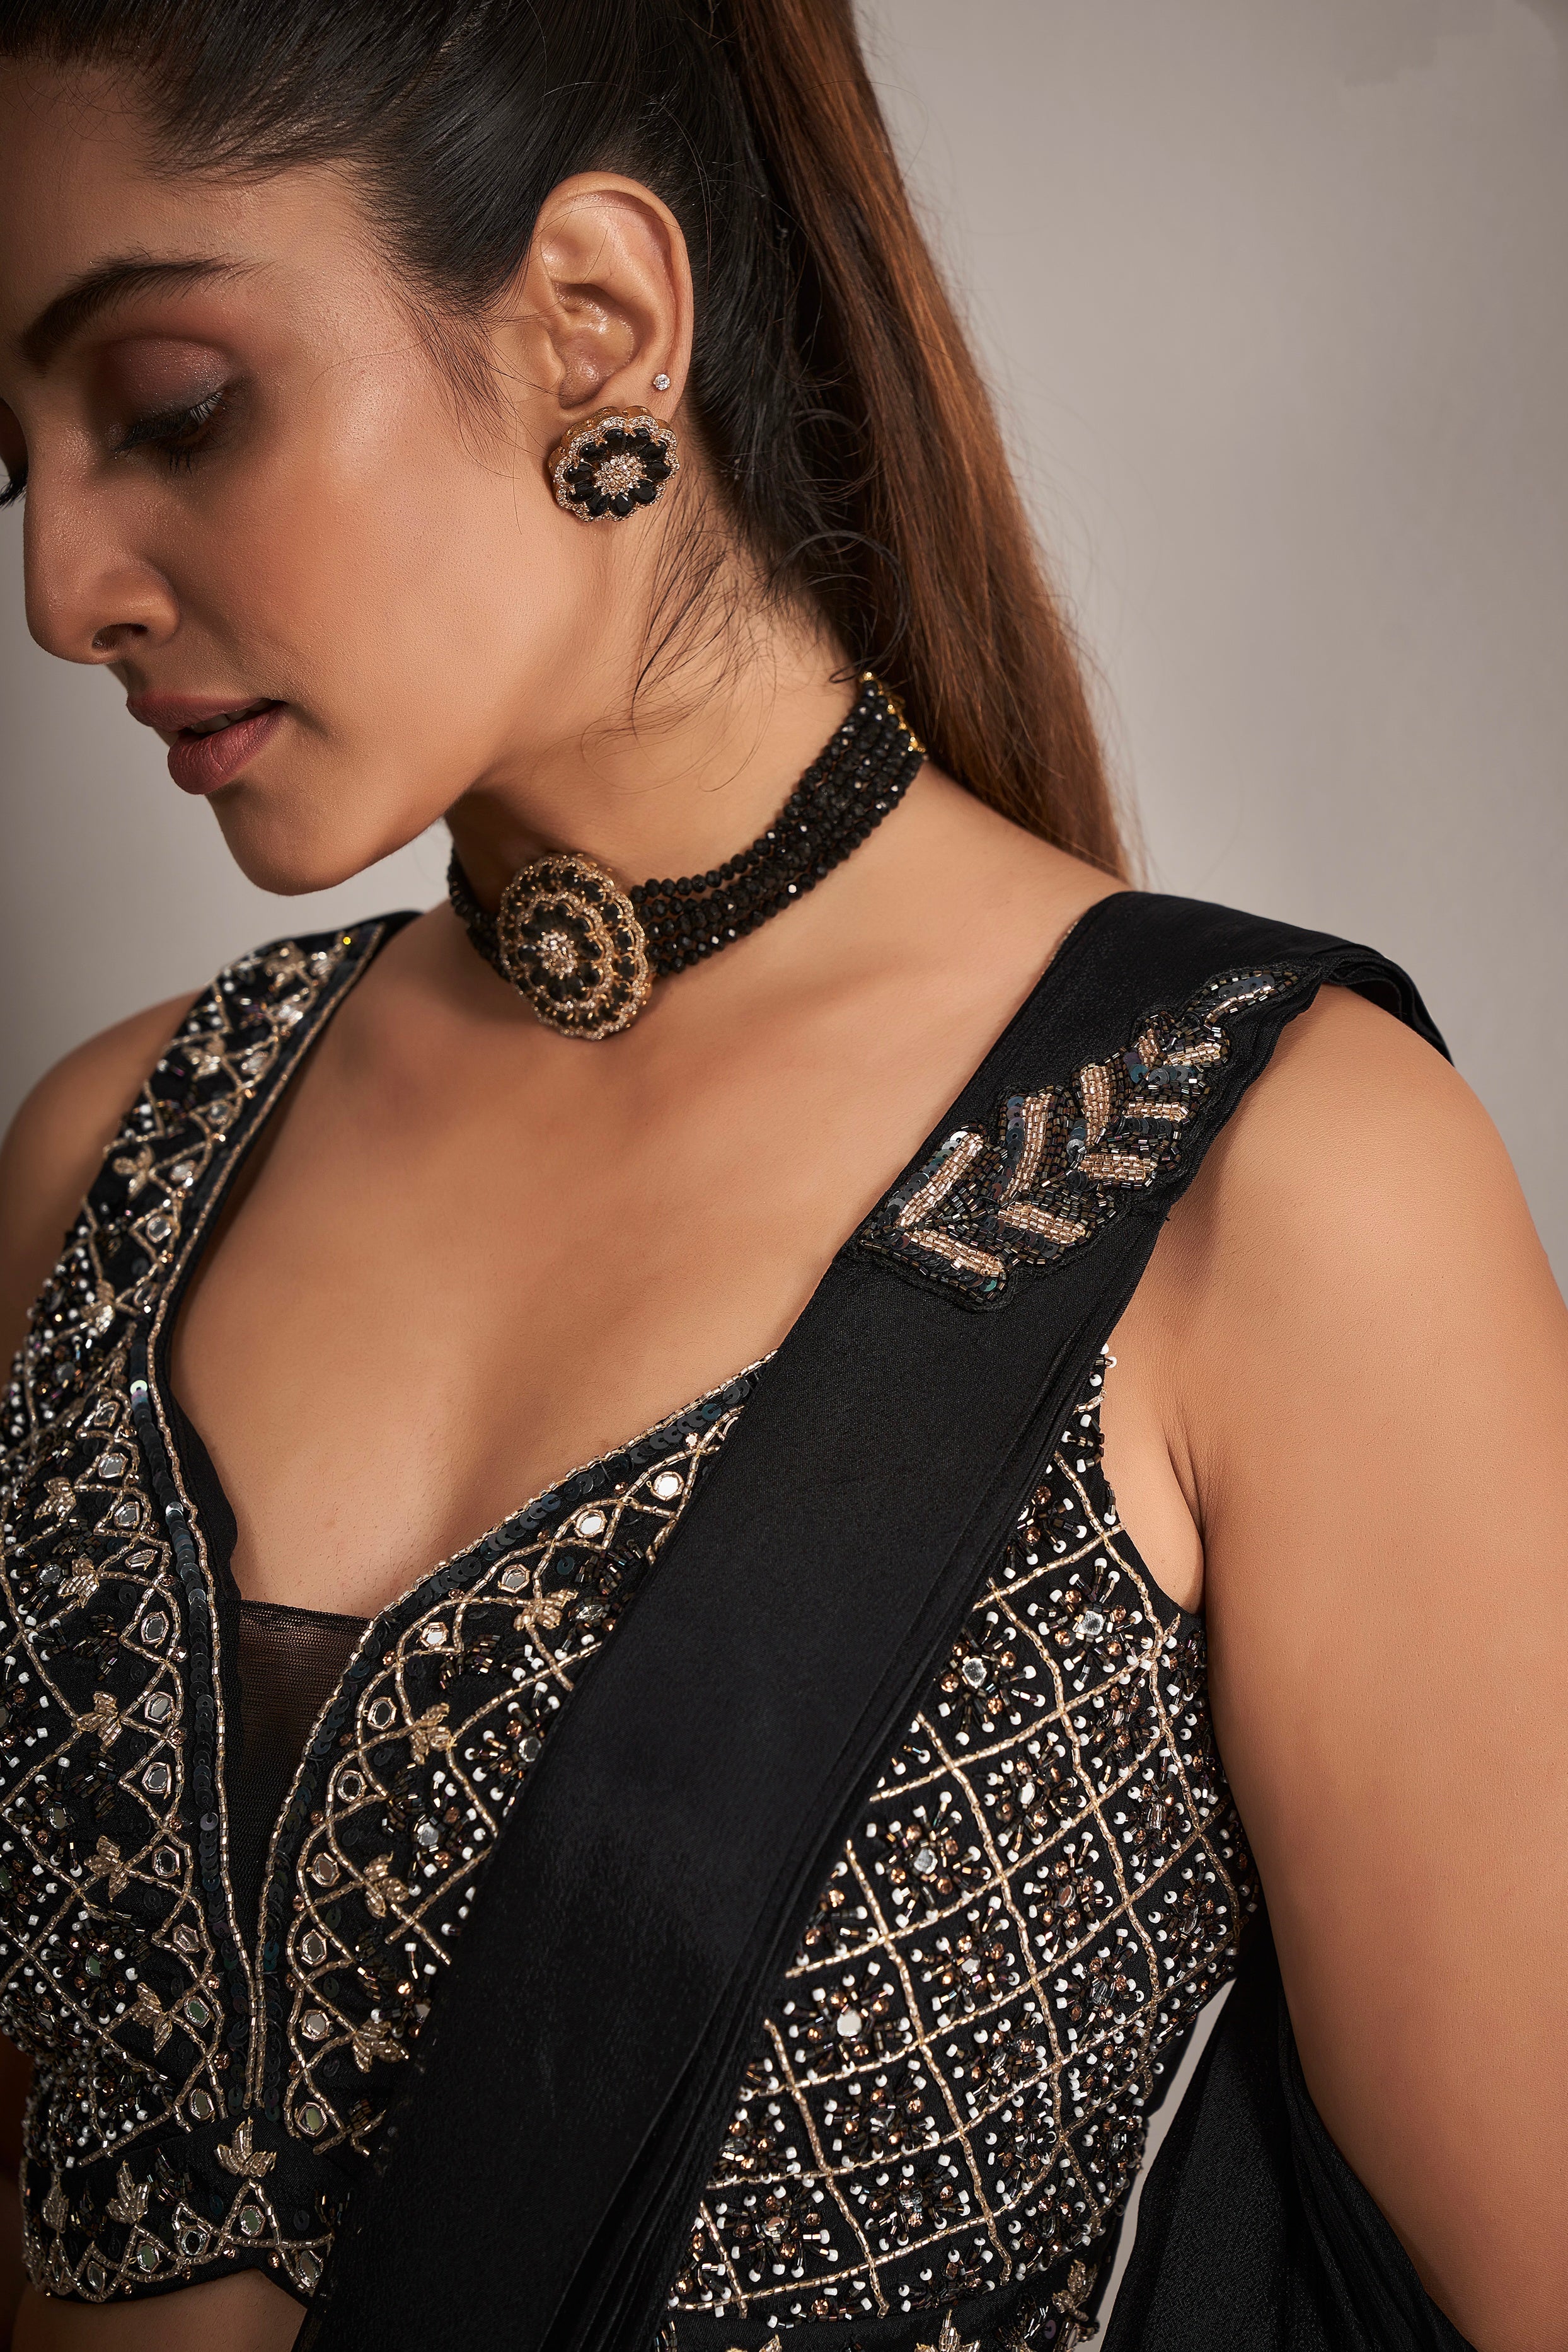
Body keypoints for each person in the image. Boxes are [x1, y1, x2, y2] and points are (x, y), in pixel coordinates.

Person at [0, 3, 1562, 2349]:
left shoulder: (1263, 1179)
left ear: (593, 322)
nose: (63, 590)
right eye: (9, 463)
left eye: (173, 404)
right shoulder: (106, 1166)